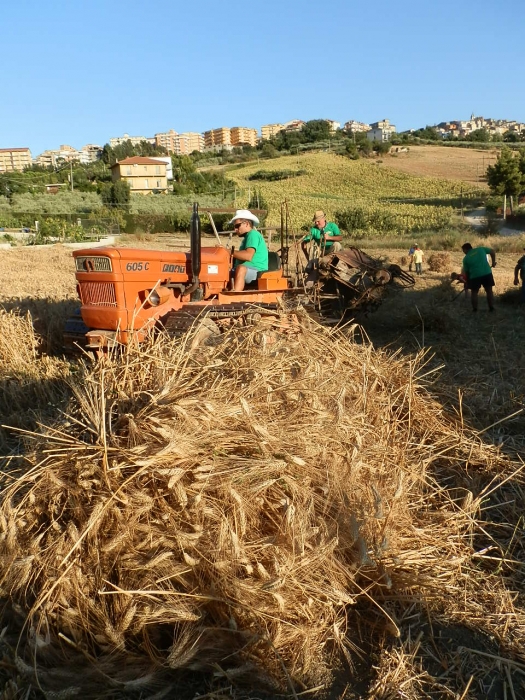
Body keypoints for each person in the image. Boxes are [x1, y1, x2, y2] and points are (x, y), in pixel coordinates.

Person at [229, 209, 268, 291]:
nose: (235, 229)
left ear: (246, 224)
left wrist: (229, 252)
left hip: (256, 271)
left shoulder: (253, 234)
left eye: (237, 226)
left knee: (241, 268)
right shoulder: (246, 238)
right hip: (246, 269)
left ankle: (234, 296)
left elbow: (248, 256)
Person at [461, 242, 496, 312]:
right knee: (489, 291)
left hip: (474, 276)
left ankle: (475, 309)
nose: (463, 252)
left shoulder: (466, 258)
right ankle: (491, 307)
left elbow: (467, 272)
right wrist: (493, 262)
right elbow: (492, 251)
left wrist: (468, 281)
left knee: (474, 292)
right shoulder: (481, 249)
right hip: (487, 273)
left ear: (465, 249)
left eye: (463, 251)